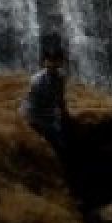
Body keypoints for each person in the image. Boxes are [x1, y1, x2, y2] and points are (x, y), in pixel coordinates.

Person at [20, 35, 70, 167]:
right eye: (50, 60)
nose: (53, 64)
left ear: (61, 62)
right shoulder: (37, 80)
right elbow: (31, 105)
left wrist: (65, 114)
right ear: (44, 62)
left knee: (62, 146)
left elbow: (60, 98)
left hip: (50, 117)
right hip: (34, 117)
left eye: (56, 60)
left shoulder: (61, 77)